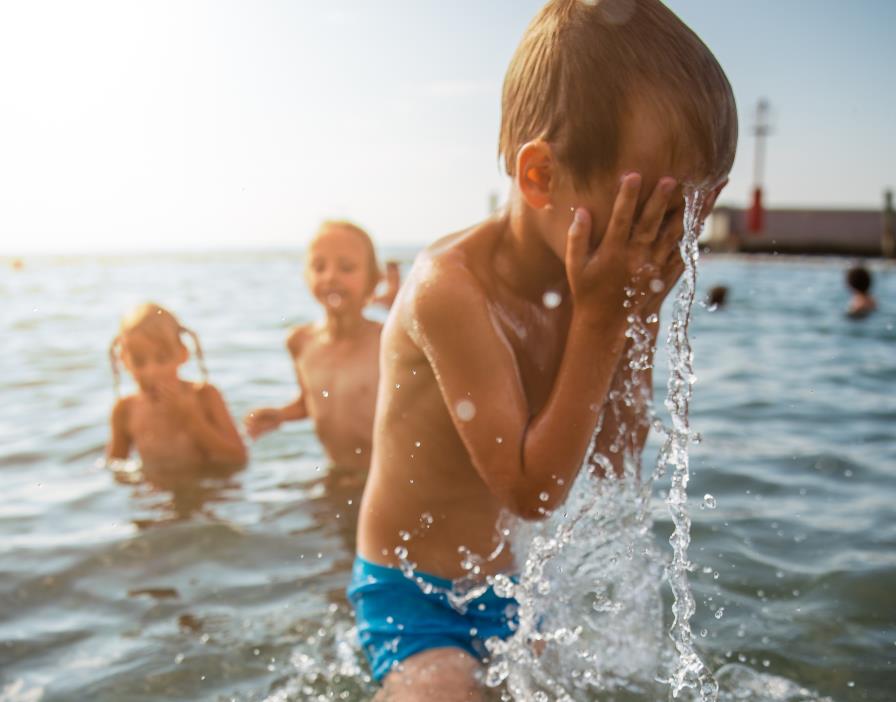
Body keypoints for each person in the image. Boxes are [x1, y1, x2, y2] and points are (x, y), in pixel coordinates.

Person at [349, 0, 737, 699]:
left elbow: (616, 459)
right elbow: (530, 492)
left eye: (679, 222)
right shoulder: (452, 289)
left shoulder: (587, 287)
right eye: (643, 215)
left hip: (511, 590)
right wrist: (599, 321)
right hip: (415, 600)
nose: (657, 245)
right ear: (540, 178)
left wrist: (636, 319)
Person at [244, 221, 388, 471]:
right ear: (306, 276)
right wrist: (282, 414)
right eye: (319, 267)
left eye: (346, 268)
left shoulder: (386, 342)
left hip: (384, 480)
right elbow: (312, 402)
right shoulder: (300, 342)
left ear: (373, 280)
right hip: (335, 473)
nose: (330, 277)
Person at [106, 302, 247, 477]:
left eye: (162, 359)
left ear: (182, 353)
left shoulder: (205, 396)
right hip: (155, 497)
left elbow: (239, 458)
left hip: (208, 493)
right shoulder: (125, 410)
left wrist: (191, 418)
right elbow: (115, 466)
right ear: (124, 361)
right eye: (139, 362)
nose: (151, 372)